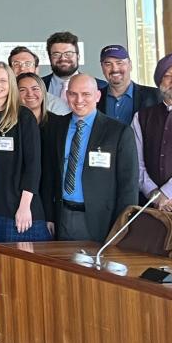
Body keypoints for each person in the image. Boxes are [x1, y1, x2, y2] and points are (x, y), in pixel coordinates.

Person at [0, 62, 49, 343]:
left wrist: (25, 205)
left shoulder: (24, 118)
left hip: (19, 209)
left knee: (22, 274)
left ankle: (23, 332)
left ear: (11, 85)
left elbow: (34, 165)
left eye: (3, 80)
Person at [41, 74, 138, 242]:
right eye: (73, 94)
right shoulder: (55, 127)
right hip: (63, 216)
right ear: (66, 95)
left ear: (98, 96)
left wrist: (122, 224)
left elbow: (128, 184)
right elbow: (49, 175)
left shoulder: (119, 132)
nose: (79, 100)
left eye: (86, 94)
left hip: (102, 221)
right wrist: (49, 215)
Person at [133, 51, 172, 213]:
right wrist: (154, 194)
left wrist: (166, 192)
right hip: (151, 206)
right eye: (168, 75)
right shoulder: (141, 117)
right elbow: (136, 164)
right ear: (160, 80)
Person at [98, 45, 159, 126]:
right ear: (102, 67)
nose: (115, 69)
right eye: (108, 64)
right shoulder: (95, 98)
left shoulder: (154, 96)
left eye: (119, 63)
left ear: (130, 65)